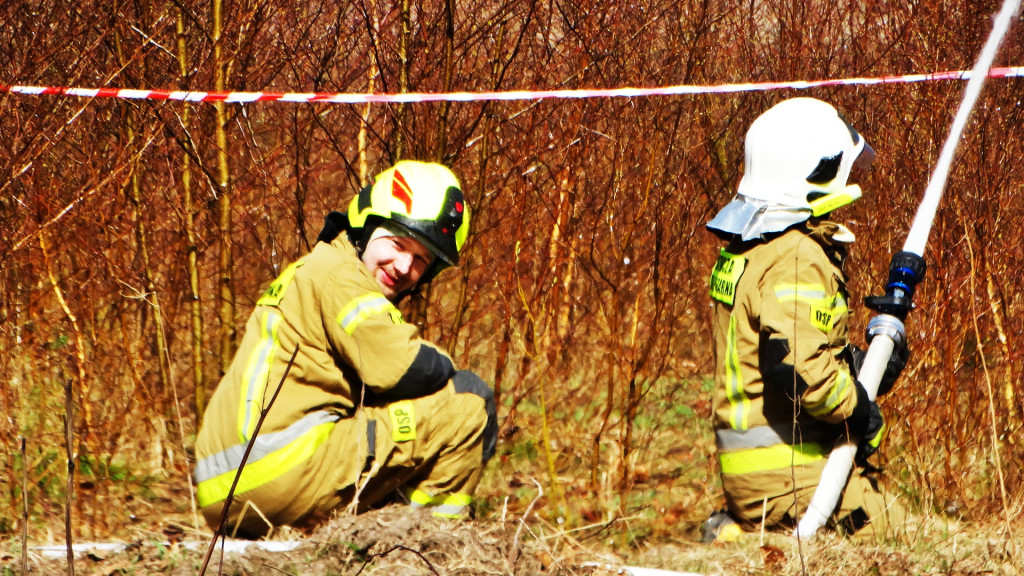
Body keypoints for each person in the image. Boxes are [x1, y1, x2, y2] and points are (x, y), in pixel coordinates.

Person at [193, 160, 497, 538]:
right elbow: (403, 368)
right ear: (367, 224)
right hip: (277, 472)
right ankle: (424, 549)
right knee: (469, 402)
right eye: (399, 243)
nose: (404, 266)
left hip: (224, 485)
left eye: (421, 259)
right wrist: (452, 370)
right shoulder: (343, 277)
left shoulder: (314, 267)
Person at [703, 98, 909, 541]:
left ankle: (742, 529)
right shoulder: (797, 254)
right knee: (897, 533)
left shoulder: (750, 249)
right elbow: (800, 371)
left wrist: (860, 365)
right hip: (791, 478)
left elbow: (780, 349)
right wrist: (859, 408)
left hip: (755, 479)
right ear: (814, 171)